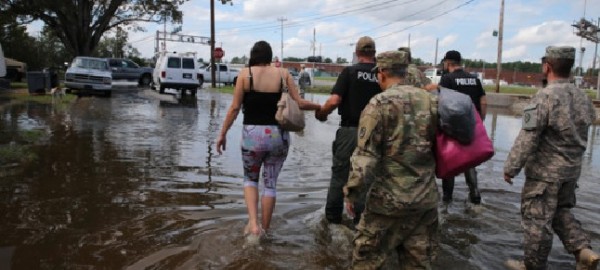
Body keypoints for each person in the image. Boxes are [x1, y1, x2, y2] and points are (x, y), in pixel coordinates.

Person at [503, 46, 598, 270]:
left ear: (547, 67)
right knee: (559, 213)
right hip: (571, 171)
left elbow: (528, 137)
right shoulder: (583, 96)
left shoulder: (544, 97)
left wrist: (511, 167)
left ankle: (532, 266)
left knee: (537, 221)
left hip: (545, 174)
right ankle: (582, 251)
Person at [344, 50, 439, 269]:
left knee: (366, 259)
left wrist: (352, 193)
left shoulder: (379, 104)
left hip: (388, 200)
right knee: (419, 263)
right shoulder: (430, 101)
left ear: (383, 73)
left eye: (378, 73)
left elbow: (365, 157)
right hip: (425, 199)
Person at [216, 41, 321, 237]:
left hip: (251, 137)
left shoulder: (244, 74)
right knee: (270, 184)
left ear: (253, 55)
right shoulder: (283, 74)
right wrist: (321, 108)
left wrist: (222, 134)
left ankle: (254, 225)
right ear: (270, 57)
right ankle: (265, 229)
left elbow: (234, 108)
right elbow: (299, 103)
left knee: (250, 179)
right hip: (278, 137)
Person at [315, 36, 382, 225]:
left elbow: (334, 101)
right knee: (368, 177)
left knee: (339, 175)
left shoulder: (349, 72)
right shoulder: (382, 75)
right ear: (374, 54)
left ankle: (332, 222)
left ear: (357, 53)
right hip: (375, 135)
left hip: (350, 131)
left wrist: (322, 114)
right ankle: (361, 221)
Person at [438, 50, 487, 204]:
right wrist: (480, 122)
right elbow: (483, 101)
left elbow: (441, 102)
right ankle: (475, 194)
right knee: (469, 161)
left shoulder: (447, 79)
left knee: (450, 162)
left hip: (452, 127)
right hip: (471, 125)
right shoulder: (474, 79)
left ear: (448, 63)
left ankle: (447, 200)